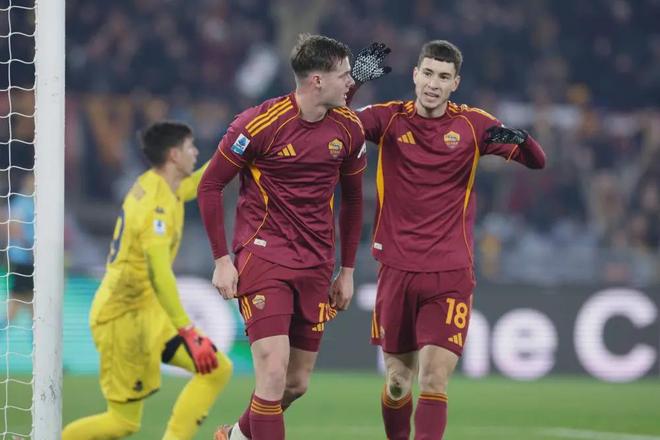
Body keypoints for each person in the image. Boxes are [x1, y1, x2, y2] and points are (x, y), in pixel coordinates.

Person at [355, 40, 547, 439]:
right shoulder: (388, 118)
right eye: (427, 73)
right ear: (415, 75)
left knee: (434, 379)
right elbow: (331, 126)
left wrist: (522, 139)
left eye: (443, 77)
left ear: (455, 83)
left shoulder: (473, 125)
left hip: (450, 273)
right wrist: (354, 83)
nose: (433, 84)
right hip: (396, 270)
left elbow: (537, 161)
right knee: (398, 382)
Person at [198, 34, 369, 440]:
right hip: (264, 257)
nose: (352, 83)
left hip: (316, 264)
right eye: (345, 75)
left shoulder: (349, 128)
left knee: (295, 384)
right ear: (316, 81)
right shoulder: (257, 124)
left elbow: (353, 201)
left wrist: (346, 271)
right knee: (272, 373)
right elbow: (210, 185)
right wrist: (222, 260)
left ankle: (235, 437)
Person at [62, 122, 233, 440]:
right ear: (174, 155)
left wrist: (238, 147)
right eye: (190, 147)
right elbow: (159, 273)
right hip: (123, 320)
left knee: (216, 369)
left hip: (149, 315)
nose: (196, 153)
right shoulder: (154, 205)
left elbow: (201, 181)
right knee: (122, 423)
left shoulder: (164, 185)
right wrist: (188, 330)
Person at [1, 173, 35, 328]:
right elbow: (14, 227)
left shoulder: (32, 202)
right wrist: (29, 248)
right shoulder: (22, 202)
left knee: (30, 298)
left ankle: (35, 332)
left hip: (28, 258)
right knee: (19, 298)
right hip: (23, 258)